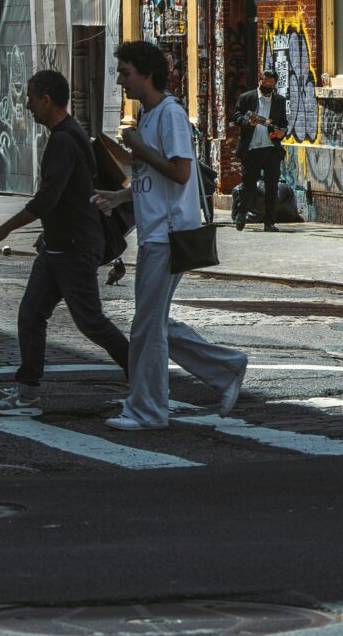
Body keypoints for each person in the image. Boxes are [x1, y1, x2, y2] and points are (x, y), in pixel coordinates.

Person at [91, 42, 248, 430]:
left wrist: (139, 149)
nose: (120, 79)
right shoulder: (147, 115)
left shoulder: (170, 115)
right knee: (153, 322)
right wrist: (121, 195)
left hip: (169, 235)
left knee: (146, 327)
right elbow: (154, 179)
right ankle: (225, 368)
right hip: (155, 233)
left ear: (146, 74)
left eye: (125, 72)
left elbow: (180, 172)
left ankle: (148, 410)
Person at [0, 69, 130, 417]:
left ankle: (146, 380)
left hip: (74, 247)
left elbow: (48, 199)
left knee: (91, 322)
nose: (28, 106)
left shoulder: (64, 140)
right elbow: (66, 198)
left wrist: (2, 230)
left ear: (46, 100)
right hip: (58, 245)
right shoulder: (69, 133)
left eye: (31, 99)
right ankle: (27, 391)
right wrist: (45, 235)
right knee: (31, 315)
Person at [234, 67, 288, 232]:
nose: (268, 85)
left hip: (271, 148)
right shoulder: (246, 98)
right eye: (265, 82)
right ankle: (241, 214)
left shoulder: (279, 100)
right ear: (260, 81)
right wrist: (246, 121)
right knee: (248, 184)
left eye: (271, 83)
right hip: (252, 148)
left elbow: (283, 122)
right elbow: (236, 115)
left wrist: (281, 132)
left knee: (272, 187)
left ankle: (269, 222)